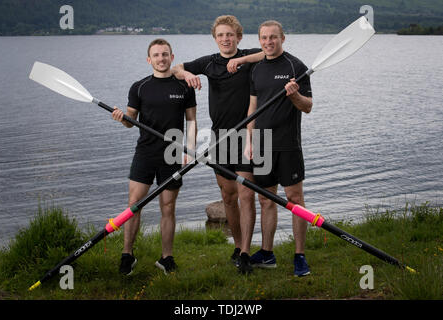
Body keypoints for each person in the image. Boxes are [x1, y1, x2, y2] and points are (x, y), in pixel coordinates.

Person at [172, 15, 264, 274]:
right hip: (219, 137)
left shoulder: (250, 57)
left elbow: (270, 54)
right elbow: (175, 68)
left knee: (247, 195)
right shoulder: (209, 63)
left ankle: (246, 252)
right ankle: (237, 246)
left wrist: (241, 60)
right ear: (215, 38)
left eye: (230, 34)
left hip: (248, 135)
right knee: (228, 196)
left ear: (238, 37)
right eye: (221, 35)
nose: (225, 39)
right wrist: (188, 73)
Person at [112, 38, 197, 276]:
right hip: (145, 153)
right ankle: (127, 255)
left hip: (172, 155)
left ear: (172, 57)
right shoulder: (139, 87)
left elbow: (191, 121)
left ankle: (166, 258)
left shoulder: (184, 87)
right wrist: (122, 118)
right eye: (157, 55)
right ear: (149, 60)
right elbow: (131, 121)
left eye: (165, 54)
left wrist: (188, 149)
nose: (161, 59)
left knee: (168, 207)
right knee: (133, 205)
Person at [244, 20, 313, 277]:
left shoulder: (296, 66)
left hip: (287, 145)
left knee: (295, 200)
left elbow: (307, 106)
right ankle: (267, 253)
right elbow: (252, 109)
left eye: (273, 37)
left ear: (283, 38)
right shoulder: (256, 70)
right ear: (259, 39)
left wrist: (294, 95)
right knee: (265, 200)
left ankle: (299, 256)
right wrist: (249, 141)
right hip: (261, 144)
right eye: (264, 38)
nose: (268, 42)